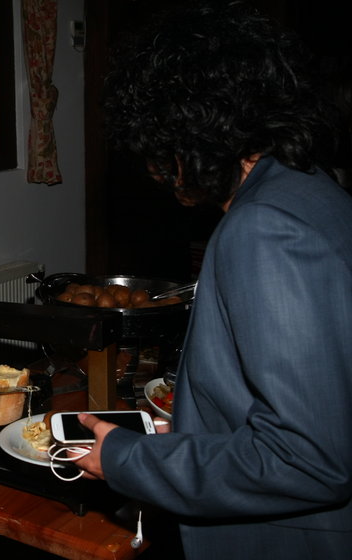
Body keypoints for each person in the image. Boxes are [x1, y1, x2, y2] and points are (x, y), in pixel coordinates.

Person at [72, 2, 352, 559]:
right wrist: (194, 430)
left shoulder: (263, 228)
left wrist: (129, 459)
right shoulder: (315, 189)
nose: (153, 170)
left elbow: (309, 459)